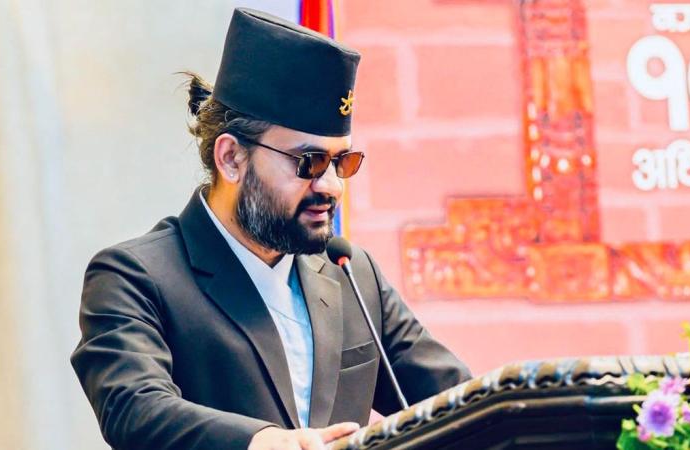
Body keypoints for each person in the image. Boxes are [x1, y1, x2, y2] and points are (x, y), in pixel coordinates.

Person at [71, 7, 471, 450]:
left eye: (341, 162)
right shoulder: (136, 276)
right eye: (309, 162)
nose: (331, 186)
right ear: (231, 158)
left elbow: (460, 404)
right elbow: (134, 407)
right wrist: (263, 442)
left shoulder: (351, 273)